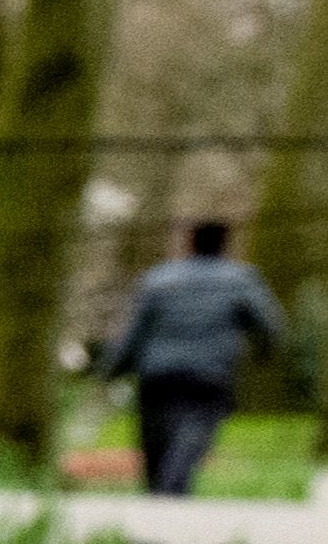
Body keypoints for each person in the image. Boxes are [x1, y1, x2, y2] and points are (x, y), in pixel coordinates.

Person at [109, 211, 284, 496]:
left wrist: (113, 369)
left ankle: (157, 519)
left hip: (156, 376)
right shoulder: (241, 280)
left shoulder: (157, 280)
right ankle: (170, 500)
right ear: (225, 244)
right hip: (208, 376)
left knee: (156, 449)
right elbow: (269, 326)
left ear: (189, 242)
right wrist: (264, 352)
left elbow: (132, 334)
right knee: (189, 442)